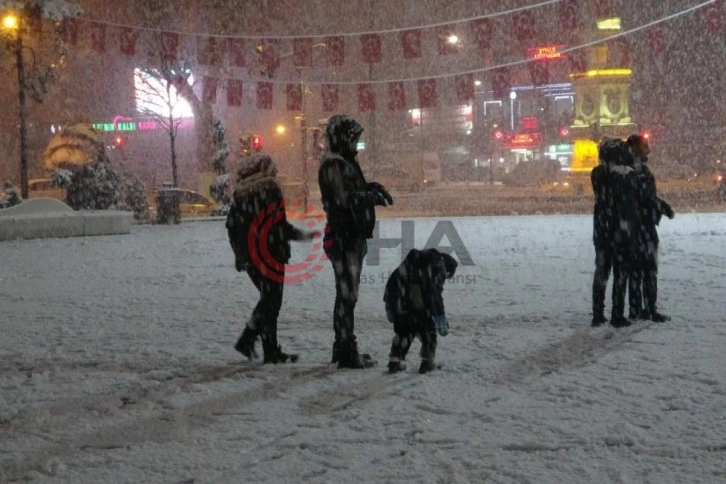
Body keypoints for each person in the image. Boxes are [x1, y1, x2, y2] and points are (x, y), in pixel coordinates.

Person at [318, 114, 394, 369]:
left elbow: (352, 191)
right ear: (342, 139)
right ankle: (346, 350)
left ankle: (343, 347)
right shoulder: (334, 164)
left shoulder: (344, 162)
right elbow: (344, 200)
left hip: (351, 237)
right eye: (354, 140)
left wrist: (370, 187)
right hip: (344, 239)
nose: (357, 145)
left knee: (348, 295)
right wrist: (367, 196)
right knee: (347, 296)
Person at [226, 153, 317, 363]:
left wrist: (241, 254)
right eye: (272, 167)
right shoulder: (270, 189)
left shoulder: (240, 194)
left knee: (268, 300)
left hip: (251, 256)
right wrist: (301, 235)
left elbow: (233, 227)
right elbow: (278, 225)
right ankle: (250, 341)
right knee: (271, 301)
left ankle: (269, 349)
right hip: (271, 253)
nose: (275, 171)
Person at [591, 138, 641, 328]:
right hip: (620, 231)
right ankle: (617, 314)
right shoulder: (624, 176)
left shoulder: (597, 173)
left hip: (602, 231)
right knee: (620, 273)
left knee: (602, 272)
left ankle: (598, 313)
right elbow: (628, 200)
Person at [384, 249, 458, 374]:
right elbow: (435, 295)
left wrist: (391, 307)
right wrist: (440, 316)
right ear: (447, 269)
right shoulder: (437, 267)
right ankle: (427, 362)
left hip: (402, 304)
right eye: (448, 276)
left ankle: (394, 362)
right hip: (420, 308)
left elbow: (392, 284)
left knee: (404, 332)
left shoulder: (411, 263)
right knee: (429, 334)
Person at [626, 134, 674, 322]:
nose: (648, 150)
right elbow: (646, 197)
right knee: (646, 269)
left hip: (636, 226)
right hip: (642, 227)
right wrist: (662, 207)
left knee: (637, 271)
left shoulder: (632, 170)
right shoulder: (638, 171)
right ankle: (647, 309)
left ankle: (638, 309)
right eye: (644, 146)